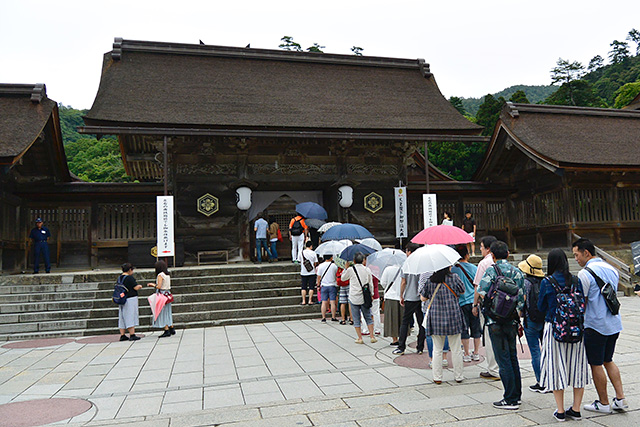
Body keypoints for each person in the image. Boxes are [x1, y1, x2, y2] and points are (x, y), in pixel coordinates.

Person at [572, 238, 628, 414]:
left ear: (586, 253)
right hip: (613, 322)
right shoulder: (611, 268)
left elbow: (583, 302)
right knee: (608, 359)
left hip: (595, 324)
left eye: (576, 254)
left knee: (596, 363)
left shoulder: (585, 274)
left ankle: (603, 403)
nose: (576, 259)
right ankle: (620, 399)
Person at [538, 249, 589, 422]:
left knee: (556, 367)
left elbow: (540, 307)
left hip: (554, 329)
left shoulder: (547, 281)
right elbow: (583, 301)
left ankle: (560, 411)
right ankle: (576, 409)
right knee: (577, 368)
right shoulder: (576, 280)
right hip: (576, 329)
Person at [478, 240, 525, 410]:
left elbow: (482, 292)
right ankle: (517, 395)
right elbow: (521, 298)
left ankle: (510, 399)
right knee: (512, 357)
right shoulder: (518, 272)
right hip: (512, 320)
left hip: (495, 320)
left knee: (502, 358)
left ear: (492, 255)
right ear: (507, 254)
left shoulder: (491, 271)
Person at [420, 266, 465, 384]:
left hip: (436, 318)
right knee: (456, 349)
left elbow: (423, 298)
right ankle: (458, 376)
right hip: (453, 316)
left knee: (437, 349)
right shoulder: (454, 278)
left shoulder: (430, 280)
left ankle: (437, 377)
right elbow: (462, 290)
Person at [472, 235, 500, 380]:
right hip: (505, 306)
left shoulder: (484, 264)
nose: (480, 250)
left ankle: (493, 368)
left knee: (490, 337)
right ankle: (502, 367)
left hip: (489, 305)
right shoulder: (503, 263)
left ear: (488, 249)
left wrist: (474, 304)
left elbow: (478, 286)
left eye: (482, 247)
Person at [517, 254, 547, 393]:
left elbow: (522, 303)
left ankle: (540, 381)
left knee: (535, 351)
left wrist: (519, 320)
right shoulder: (545, 281)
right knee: (546, 351)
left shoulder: (526, 283)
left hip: (531, 320)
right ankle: (549, 379)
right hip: (545, 319)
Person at [392, 243, 426, 355]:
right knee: (421, 322)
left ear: (409, 252)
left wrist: (401, 295)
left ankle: (401, 346)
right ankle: (420, 347)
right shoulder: (423, 264)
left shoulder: (406, 264)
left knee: (405, 321)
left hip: (410, 297)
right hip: (421, 297)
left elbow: (403, 282)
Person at [452, 245, 481, 363]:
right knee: (476, 328)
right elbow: (478, 285)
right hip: (473, 302)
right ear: (467, 255)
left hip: (461, 303)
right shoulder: (474, 268)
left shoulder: (453, 270)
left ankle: (466, 353)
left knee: (464, 328)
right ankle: (476, 352)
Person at [341, 252, 377, 344]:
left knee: (356, 318)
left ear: (354, 261)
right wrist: (371, 294)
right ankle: (372, 336)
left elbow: (343, 278)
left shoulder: (350, 270)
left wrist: (345, 268)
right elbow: (370, 284)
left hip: (354, 297)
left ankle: (360, 338)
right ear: (363, 260)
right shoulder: (367, 270)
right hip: (365, 297)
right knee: (368, 316)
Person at [147, 260, 175, 338]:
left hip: (162, 294)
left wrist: (153, 285)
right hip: (167, 294)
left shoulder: (160, 275)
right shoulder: (167, 275)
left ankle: (166, 329)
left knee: (162, 312)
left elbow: (159, 286)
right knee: (167, 311)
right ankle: (171, 327)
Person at [118, 263, 143, 341]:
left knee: (122, 316)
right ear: (129, 270)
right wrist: (140, 286)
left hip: (122, 299)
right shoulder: (129, 278)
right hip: (130, 298)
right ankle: (132, 334)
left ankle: (122, 335)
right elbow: (135, 287)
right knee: (130, 315)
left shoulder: (120, 278)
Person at [381, 264, 403, 345]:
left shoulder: (387, 269)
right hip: (401, 296)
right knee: (401, 318)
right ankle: (402, 337)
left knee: (391, 318)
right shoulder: (403, 268)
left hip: (390, 296)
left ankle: (394, 339)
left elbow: (383, 283)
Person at [316, 255, 338, 322]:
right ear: (331, 257)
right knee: (332, 302)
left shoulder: (321, 266)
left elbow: (319, 277)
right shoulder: (334, 266)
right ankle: (333, 317)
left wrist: (318, 285)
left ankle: (323, 317)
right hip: (332, 285)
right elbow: (336, 275)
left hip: (324, 285)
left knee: (324, 302)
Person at [299, 241, 318, 305]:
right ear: (311, 246)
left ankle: (303, 301)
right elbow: (315, 263)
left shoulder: (301, 252)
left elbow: (299, 261)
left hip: (303, 272)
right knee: (311, 287)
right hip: (312, 272)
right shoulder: (313, 253)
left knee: (303, 287)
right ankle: (310, 300)